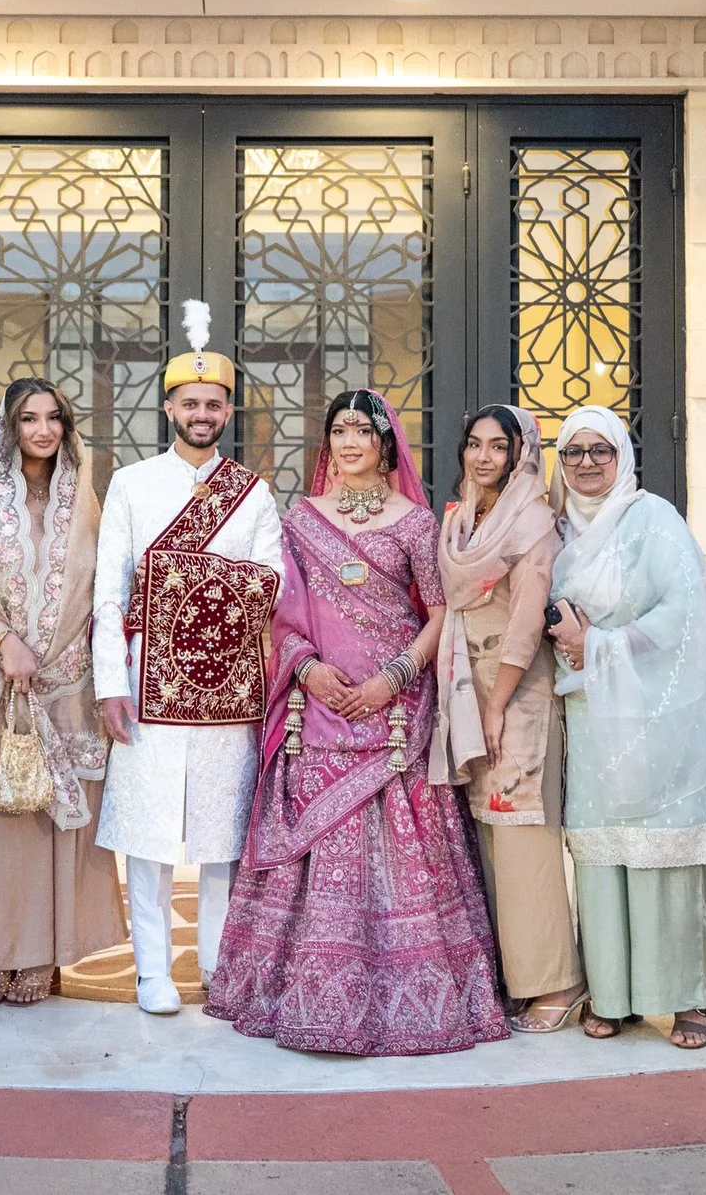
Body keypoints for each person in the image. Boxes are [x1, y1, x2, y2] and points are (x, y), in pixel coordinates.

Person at [208, 391, 510, 1055]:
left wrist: (392, 679)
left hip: (392, 714)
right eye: (338, 430)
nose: (349, 442)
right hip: (314, 707)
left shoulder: (414, 522)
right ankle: (303, 994)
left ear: (384, 443)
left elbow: (440, 614)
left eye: (361, 431)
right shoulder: (300, 519)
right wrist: (309, 669)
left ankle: (405, 1000)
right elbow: (280, 612)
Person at [93, 301, 285, 1015]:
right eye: (190, 401)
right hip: (148, 682)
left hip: (225, 686)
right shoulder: (133, 484)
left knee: (219, 835)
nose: (202, 412)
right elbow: (110, 589)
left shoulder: (254, 491)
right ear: (170, 405)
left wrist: (195, 591)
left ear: (228, 411)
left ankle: (215, 963)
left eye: (214, 403)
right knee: (147, 834)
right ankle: (151, 971)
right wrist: (110, 682)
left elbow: (275, 581)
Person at [544, 406, 706, 1048]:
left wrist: (597, 643)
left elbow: (685, 616)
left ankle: (686, 999)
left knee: (665, 853)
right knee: (600, 855)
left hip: (659, 714)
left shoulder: (654, 521)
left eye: (601, 450)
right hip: (591, 715)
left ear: (623, 456)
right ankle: (614, 994)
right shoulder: (555, 530)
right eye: (573, 452)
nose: (587, 463)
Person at [0, 378, 124, 1005]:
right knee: (6, 822)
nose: (42, 430)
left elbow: (108, 586)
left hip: (70, 685)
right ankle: (2, 952)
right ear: (9, 427)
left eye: (53, 418)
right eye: (28, 419)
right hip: (3, 685)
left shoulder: (88, 499)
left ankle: (46, 956)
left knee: (60, 825)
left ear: (67, 427)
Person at [434, 403, 581, 1032]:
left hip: (516, 693)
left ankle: (558, 981)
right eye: (474, 444)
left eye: (498, 446)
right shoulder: (465, 518)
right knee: (490, 834)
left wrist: (497, 704)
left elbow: (527, 616)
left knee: (523, 830)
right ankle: (518, 975)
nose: (483, 457)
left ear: (521, 453)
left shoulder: (532, 520)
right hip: (467, 685)